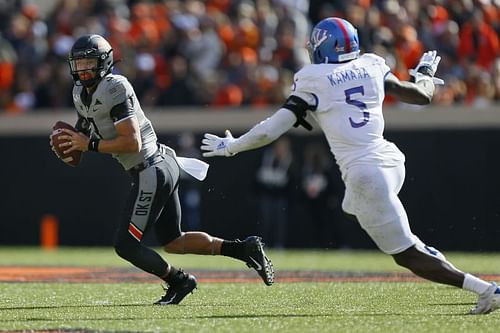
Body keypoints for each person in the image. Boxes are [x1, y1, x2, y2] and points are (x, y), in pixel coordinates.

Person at [201, 17, 500, 315]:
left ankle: (486, 290)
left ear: (322, 47)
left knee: (407, 254)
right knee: (353, 205)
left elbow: (270, 130)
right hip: (390, 161)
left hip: (365, 174)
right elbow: (420, 95)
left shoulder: (312, 78)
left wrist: (231, 147)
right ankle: (426, 251)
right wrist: (424, 72)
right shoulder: (371, 63)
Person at [49, 34, 274, 305]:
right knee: (174, 242)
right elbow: (86, 127)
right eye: (80, 63)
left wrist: (89, 145)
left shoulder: (114, 87)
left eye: (89, 63)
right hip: (155, 166)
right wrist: (72, 143)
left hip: (151, 168)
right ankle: (244, 249)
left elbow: (131, 142)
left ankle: (179, 280)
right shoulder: (79, 93)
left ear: (105, 62)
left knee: (126, 245)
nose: (83, 69)